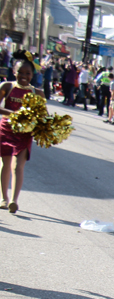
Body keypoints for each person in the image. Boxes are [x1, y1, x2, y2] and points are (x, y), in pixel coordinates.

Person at [0, 51, 43, 214]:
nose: (24, 76)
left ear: (32, 75)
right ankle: (3, 198)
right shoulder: (7, 86)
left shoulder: (37, 93)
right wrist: (14, 114)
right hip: (6, 129)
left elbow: (42, 115)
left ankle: (14, 200)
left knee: (18, 166)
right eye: (20, 72)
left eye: (28, 73)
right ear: (14, 72)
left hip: (24, 134)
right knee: (5, 164)